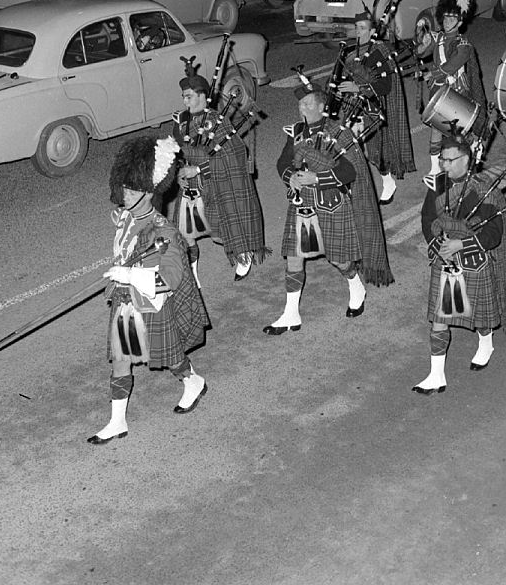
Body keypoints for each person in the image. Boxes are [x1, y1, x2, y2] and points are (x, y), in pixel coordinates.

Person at [88, 134, 211, 445]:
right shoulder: (128, 218)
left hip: (151, 304)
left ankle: (193, 380)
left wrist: (129, 276)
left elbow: (169, 277)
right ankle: (117, 421)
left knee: (170, 357)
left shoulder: (164, 230)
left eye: (131, 189)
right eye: (124, 186)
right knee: (120, 358)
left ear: (148, 191)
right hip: (125, 303)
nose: (124, 193)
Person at [265, 74, 392, 334]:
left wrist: (316, 178)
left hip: (330, 204)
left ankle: (356, 285)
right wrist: (292, 178)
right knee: (293, 258)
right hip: (302, 205)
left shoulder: (339, 132)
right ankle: (291, 314)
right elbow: (283, 162)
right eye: (301, 104)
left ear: (322, 107)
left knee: (339, 260)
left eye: (308, 104)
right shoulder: (297, 133)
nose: (303, 108)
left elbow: (350, 172)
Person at [414, 135, 506, 393]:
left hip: (474, 261)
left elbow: (493, 234)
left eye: (449, 160)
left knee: (480, 315)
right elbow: (427, 219)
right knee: (438, 319)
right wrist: (440, 244)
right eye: (442, 159)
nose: (443, 164)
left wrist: (461, 245)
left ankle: (486, 341)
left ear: (466, 160)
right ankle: (436, 375)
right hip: (445, 260)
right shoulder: (438, 185)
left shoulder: (484, 188)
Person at [172, 61, 268, 281]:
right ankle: (191, 274)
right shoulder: (182, 122)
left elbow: (235, 156)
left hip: (216, 185)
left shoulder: (218, 121)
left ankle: (243, 253)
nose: (185, 101)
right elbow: (178, 155)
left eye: (190, 97)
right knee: (186, 233)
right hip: (191, 189)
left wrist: (197, 169)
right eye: (184, 97)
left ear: (204, 98)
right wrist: (179, 173)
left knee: (223, 229)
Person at [334, 7, 416, 204]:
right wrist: (341, 90)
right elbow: (345, 78)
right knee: (346, 146)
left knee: (376, 151)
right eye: (357, 27)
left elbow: (386, 85)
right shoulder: (352, 52)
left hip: (374, 108)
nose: (359, 32)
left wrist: (359, 88)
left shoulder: (379, 51)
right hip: (353, 107)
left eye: (363, 28)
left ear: (372, 32)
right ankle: (352, 186)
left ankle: (388, 182)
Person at [415, 0, 487, 177]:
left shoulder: (463, 44)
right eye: (445, 17)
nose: (447, 21)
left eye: (452, 17)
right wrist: (422, 40)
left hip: (456, 93)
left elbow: (455, 63)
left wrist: (435, 73)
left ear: (460, 21)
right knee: (436, 129)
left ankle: (474, 146)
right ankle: (435, 169)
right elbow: (421, 52)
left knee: (456, 133)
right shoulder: (437, 37)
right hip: (439, 92)